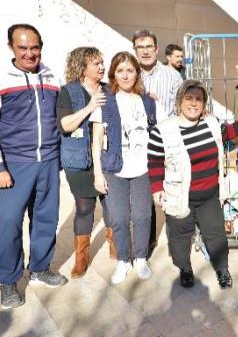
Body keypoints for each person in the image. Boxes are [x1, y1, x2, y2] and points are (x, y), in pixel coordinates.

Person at [148, 80, 238, 289]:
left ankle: (222, 269)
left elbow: (227, 133)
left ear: (204, 103)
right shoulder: (162, 130)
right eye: (189, 98)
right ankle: (185, 269)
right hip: (180, 195)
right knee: (180, 236)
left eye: (198, 99)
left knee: (216, 234)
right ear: (179, 100)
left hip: (209, 194)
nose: (193, 103)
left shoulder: (211, 122)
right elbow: (154, 161)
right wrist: (157, 188)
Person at [0, 24, 67, 309]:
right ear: (11, 48)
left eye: (35, 47)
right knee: (8, 224)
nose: (30, 53)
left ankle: (39, 268)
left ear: (41, 46)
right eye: (23, 48)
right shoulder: (3, 78)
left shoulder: (52, 75)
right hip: (14, 164)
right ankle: (7, 281)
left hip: (49, 160)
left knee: (46, 219)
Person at [91, 52, 165, 285]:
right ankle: (124, 260)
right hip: (114, 168)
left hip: (143, 168)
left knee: (143, 215)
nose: (125, 75)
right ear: (114, 73)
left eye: (130, 70)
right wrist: (97, 173)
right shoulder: (105, 100)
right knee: (119, 218)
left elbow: (166, 130)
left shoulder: (149, 102)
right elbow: (97, 139)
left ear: (136, 73)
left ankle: (141, 257)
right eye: (120, 70)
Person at [57, 47, 117, 278]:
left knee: (112, 203)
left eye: (102, 62)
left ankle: (115, 246)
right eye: (96, 63)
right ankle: (81, 257)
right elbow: (65, 125)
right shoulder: (68, 92)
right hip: (78, 160)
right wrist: (90, 107)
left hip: (107, 157)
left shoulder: (109, 90)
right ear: (82, 66)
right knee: (85, 208)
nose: (102, 67)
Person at [133, 29, 183, 252]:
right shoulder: (130, 73)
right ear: (135, 49)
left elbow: (179, 109)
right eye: (140, 47)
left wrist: (158, 105)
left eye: (148, 47)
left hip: (167, 140)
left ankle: (177, 239)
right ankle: (149, 240)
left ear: (156, 49)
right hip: (139, 144)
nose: (144, 51)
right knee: (146, 193)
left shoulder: (173, 76)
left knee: (172, 189)